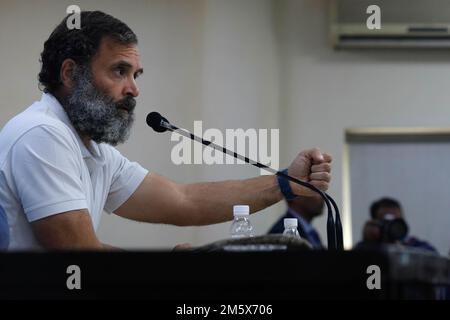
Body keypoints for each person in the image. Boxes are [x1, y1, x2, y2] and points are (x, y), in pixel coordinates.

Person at [0, 11, 332, 251]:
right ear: (70, 74)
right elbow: (79, 257)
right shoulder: (41, 134)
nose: (133, 90)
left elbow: (182, 200)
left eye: (136, 75)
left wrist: (286, 183)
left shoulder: (94, 151)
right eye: (119, 71)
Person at [357, 197, 437, 253]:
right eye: (387, 222)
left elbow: (433, 256)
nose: (393, 226)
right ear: (375, 223)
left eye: (397, 221)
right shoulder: (367, 247)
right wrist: (367, 242)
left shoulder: (414, 245)